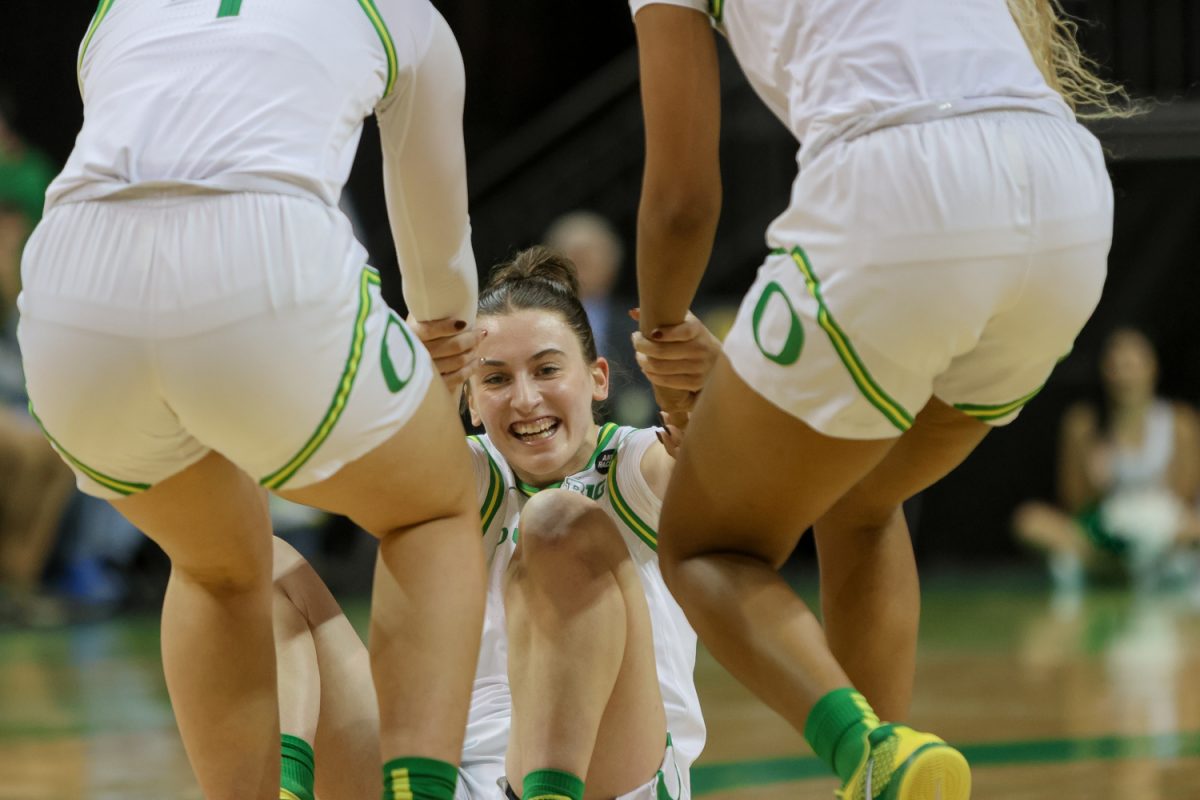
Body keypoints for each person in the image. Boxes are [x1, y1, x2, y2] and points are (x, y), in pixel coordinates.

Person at [628, 1, 1128, 798]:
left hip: (899, 183)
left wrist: (661, 338)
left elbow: (682, 199)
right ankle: (881, 787)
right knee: (861, 494)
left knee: (704, 545)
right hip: (1066, 184)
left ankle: (870, 748)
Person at [18, 2, 484, 798]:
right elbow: (434, 237)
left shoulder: (116, 10)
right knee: (433, 509)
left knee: (216, 566)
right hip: (258, 260)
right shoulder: (406, 16)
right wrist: (444, 354)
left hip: (70, 289)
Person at [269, 247, 716, 800]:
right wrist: (399, 384)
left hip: (612, 775)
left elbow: (738, 479)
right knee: (264, 565)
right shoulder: (469, 473)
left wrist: (713, 396)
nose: (526, 399)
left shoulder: (640, 464)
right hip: (457, 779)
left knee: (556, 518)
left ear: (598, 379)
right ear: (473, 404)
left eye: (548, 369)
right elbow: (304, 475)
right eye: (497, 379)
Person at [1014, 328, 1200, 589]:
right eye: (1117, 366)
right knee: (1030, 521)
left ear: (1152, 367)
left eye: (1133, 365)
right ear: (1104, 372)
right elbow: (1074, 504)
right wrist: (1096, 484)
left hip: (1163, 531)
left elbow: (1186, 497)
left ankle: (1124, 569)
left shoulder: (1181, 422)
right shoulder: (1082, 424)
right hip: (1104, 532)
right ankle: (1113, 567)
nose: (1125, 376)